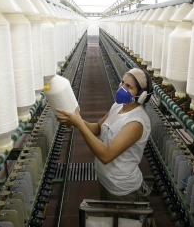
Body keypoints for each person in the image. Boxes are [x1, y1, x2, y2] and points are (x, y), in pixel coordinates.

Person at [55, 68, 153, 203]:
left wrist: (79, 124)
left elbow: (106, 155)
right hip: (105, 180)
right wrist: (76, 120)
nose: (122, 88)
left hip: (122, 189)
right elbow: (97, 128)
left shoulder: (136, 122)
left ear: (141, 95)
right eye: (122, 83)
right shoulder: (118, 106)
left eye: (128, 87)